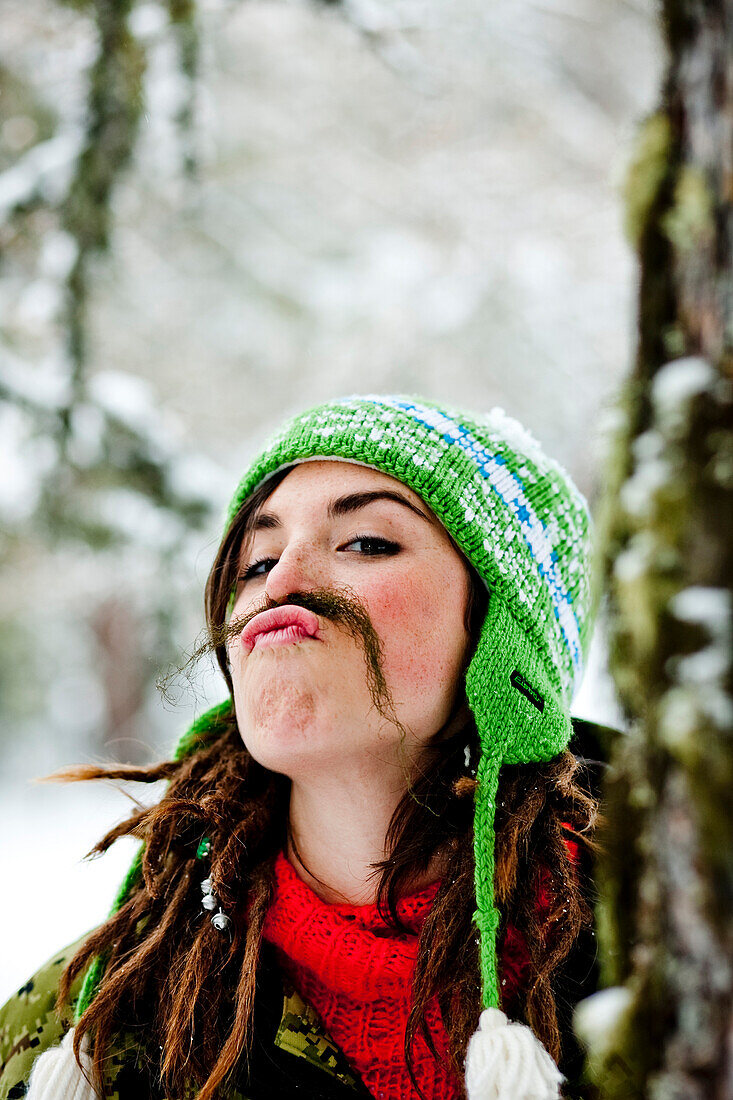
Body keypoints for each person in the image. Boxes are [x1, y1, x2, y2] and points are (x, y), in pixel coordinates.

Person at [0, 395, 603, 1100]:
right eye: (256, 561)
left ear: (508, 642)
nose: (279, 584)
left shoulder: (677, 971)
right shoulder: (88, 1025)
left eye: (367, 543)